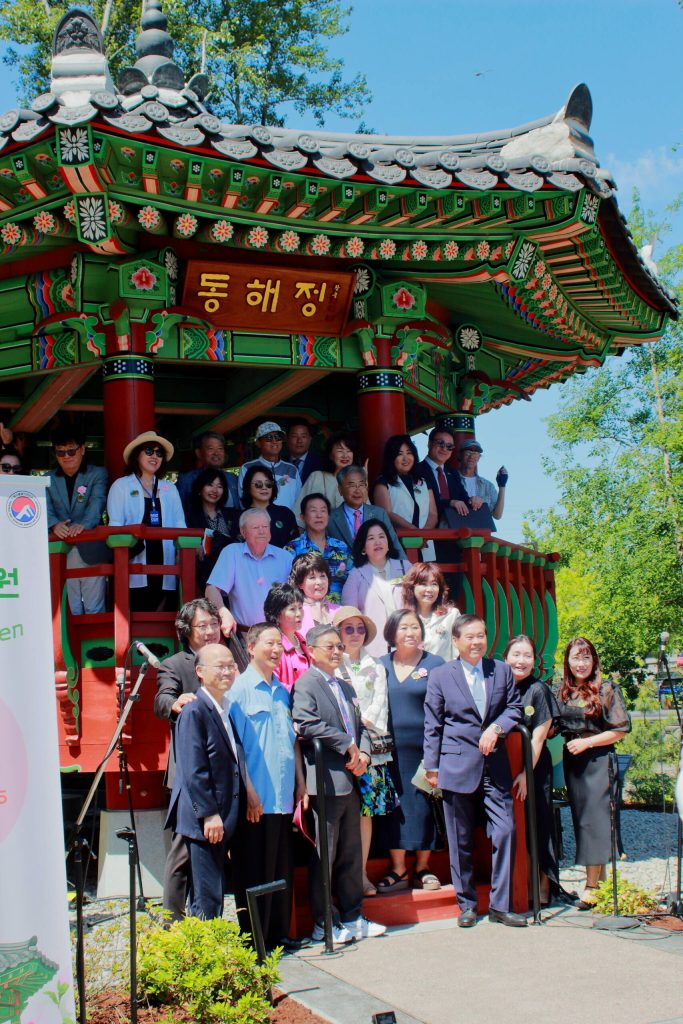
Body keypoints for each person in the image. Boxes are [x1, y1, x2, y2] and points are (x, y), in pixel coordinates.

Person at [423, 614, 527, 927]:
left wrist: (496, 728)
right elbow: (433, 723)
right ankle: (467, 904)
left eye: (481, 635)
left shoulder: (501, 670)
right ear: (455, 641)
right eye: (469, 636)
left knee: (505, 830)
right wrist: (432, 766)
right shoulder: (441, 675)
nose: (476, 642)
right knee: (460, 839)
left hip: (494, 764)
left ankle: (500, 905)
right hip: (455, 764)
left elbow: (515, 708)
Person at [292, 624, 386, 945]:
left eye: (339, 648)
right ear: (311, 650)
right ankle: (324, 921)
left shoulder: (345, 685)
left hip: (351, 778)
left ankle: (353, 915)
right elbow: (305, 722)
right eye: (329, 647)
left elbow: (360, 727)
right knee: (325, 855)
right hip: (325, 780)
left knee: (350, 853)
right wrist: (347, 744)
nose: (336, 652)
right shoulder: (306, 684)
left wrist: (364, 756)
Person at [229, 623, 309, 952]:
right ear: (250, 647)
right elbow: (235, 749)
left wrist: (301, 785)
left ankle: (277, 937)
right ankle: (254, 941)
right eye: (269, 643)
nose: (276, 650)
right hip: (256, 797)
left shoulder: (283, 690)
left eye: (280, 644)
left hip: (283, 797)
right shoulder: (238, 690)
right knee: (253, 871)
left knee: (280, 870)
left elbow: (292, 744)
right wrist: (248, 791)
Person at [154, 598, 224, 920]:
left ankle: (206, 917)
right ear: (187, 631)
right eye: (203, 626)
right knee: (183, 848)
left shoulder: (228, 661)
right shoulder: (175, 665)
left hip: (224, 772)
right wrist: (176, 701)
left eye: (214, 624)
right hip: (189, 772)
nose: (211, 631)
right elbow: (161, 700)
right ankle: (171, 921)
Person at [164, 643, 244, 920]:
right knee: (206, 897)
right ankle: (203, 955)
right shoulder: (194, 711)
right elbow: (193, 770)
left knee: (213, 891)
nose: (227, 671)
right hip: (206, 820)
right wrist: (209, 814)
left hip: (225, 813)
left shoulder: (224, 707)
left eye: (231, 665)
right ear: (199, 672)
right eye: (220, 666)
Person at [553, 637, 630, 909]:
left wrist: (587, 742)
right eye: (576, 658)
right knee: (582, 821)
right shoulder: (561, 691)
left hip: (598, 759)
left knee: (594, 823)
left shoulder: (606, 689)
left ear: (594, 661)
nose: (581, 663)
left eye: (586, 658)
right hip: (574, 763)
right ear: (567, 662)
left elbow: (619, 730)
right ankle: (602, 881)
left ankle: (592, 886)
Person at [376, 610, 444, 893]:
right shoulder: (379, 665)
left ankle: (423, 867)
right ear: (392, 633)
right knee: (395, 807)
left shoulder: (436, 664)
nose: (410, 633)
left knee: (423, 805)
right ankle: (398, 867)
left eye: (415, 627)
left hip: (425, 747)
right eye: (404, 627)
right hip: (388, 750)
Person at [332, 606, 397, 898]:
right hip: (339, 750)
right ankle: (337, 878)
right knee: (339, 814)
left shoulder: (376, 665)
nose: (355, 634)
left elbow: (379, 705)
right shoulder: (330, 664)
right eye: (348, 629)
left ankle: (361, 874)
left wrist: (363, 741)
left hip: (369, 750)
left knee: (364, 814)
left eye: (360, 629)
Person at [504, 634, 559, 906]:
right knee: (515, 826)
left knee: (538, 824)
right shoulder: (500, 687)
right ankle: (519, 884)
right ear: (506, 657)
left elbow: (537, 739)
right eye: (516, 654)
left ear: (534, 661)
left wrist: (526, 773)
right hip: (505, 767)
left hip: (533, 770)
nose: (521, 661)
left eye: (527, 656)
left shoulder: (538, 690)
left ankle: (543, 886)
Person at [107, 431, 185, 611]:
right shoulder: (121, 486)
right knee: (136, 614)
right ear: (137, 455)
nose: (155, 456)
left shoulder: (170, 488)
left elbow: (181, 525)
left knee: (166, 616)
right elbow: (115, 527)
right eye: (149, 451)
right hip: (135, 561)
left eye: (159, 453)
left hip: (165, 562)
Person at [46, 427, 110, 615]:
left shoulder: (98, 473)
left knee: (94, 607)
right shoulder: (47, 479)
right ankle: (66, 645)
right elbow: (45, 507)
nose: (66, 456)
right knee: (66, 608)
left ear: (82, 449)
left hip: (89, 546)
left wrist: (84, 525)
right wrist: (54, 524)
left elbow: (98, 501)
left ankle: (98, 644)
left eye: (71, 450)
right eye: (60, 452)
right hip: (60, 547)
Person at [205, 508, 293, 633]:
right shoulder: (232, 552)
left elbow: (297, 597)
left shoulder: (285, 557)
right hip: (246, 635)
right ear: (243, 532)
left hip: (280, 636)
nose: (262, 531)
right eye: (255, 527)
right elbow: (211, 589)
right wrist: (223, 613)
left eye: (265, 526)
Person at [341, 519, 411, 657]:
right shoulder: (356, 575)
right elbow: (349, 616)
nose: (377, 542)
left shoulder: (406, 567)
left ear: (388, 543)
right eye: (371, 538)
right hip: (373, 647)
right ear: (363, 547)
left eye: (381, 536)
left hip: (408, 640)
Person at [373, 434, 438, 561]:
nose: (405, 458)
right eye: (400, 454)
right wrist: (413, 531)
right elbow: (387, 513)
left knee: (426, 578)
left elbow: (433, 514)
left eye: (409, 453)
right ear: (391, 457)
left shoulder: (423, 481)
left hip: (425, 544)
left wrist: (423, 534)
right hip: (398, 543)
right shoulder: (383, 482)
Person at [286, 493, 351, 600]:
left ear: (328, 516)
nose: (319, 515)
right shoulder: (292, 548)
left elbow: (352, 579)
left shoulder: (341, 547)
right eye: (313, 510)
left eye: (323, 510)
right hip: (306, 612)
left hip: (339, 612)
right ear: (303, 517)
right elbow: (288, 585)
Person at [328, 465, 403, 555]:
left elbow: (394, 545)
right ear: (340, 490)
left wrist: (406, 567)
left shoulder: (379, 514)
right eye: (351, 485)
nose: (357, 490)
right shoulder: (330, 518)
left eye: (361, 485)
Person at [185, 467, 240, 592]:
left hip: (230, 572)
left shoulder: (233, 515)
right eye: (210, 485)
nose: (215, 490)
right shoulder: (189, 516)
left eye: (219, 486)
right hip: (203, 573)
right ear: (200, 489)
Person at [400, 563, 460, 661]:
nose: (429, 589)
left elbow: (458, 653)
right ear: (412, 587)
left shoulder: (451, 615)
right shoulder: (402, 618)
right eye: (423, 584)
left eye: (434, 584)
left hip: (443, 674)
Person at [238, 421, 301, 510]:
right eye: (268, 438)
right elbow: (243, 501)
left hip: (288, 521)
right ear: (258, 443)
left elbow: (298, 501)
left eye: (278, 437)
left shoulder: (292, 469)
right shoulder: (247, 468)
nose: (274, 441)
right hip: (259, 522)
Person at [295, 430, 357, 519]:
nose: (345, 455)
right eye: (340, 451)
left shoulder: (357, 481)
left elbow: (365, 511)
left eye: (349, 451)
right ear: (331, 455)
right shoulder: (316, 477)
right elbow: (299, 512)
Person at [176, 430, 240, 515]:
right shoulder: (186, 481)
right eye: (211, 448)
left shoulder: (233, 478)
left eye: (220, 448)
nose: (216, 453)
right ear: (199, 453)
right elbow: (178, 512)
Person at [263, 582, 310, 691]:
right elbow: (272, 685)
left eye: (300, 607)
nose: (299, 613)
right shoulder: (271, 648)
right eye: (292, 609)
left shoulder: (304, 642)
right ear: (277, 615)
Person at [240, 463, 298, 548]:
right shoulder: (240, 517)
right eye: (258, 484)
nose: (264, 488)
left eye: (268, 484)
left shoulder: (285, 513)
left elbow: (295, 545)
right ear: (248, 487)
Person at [290, 551, 339, 637]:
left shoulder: (339, 610)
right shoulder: (295, 615)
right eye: (312, 577)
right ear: (300, 584)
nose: (319, 582)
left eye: (322, 576)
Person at [457, 439, 508, 521]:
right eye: (468, 452)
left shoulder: (488, 485)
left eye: (476, 453)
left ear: (479, 457)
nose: (472, 456)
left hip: (479, 531)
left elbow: (497, 515)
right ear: (460, 455)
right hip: (456, 530)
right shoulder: (450, 480)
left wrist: (502, 486)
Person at [286, 419, 323, 485]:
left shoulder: (321, 464)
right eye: (294, 436)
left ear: (310, 439)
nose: (299, 441)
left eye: (303, 436)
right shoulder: (278, 463)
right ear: (287, 439)